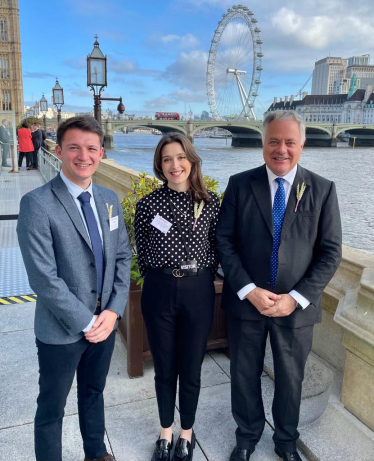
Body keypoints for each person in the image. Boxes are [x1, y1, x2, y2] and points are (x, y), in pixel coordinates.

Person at [216, 110, 342, 461]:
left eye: (289, 142)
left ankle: (286, 442)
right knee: (243, 375)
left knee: (291, 380)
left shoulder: (322, 189)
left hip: (295, 308)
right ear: (262, 144)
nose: (281, 149)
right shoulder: (240, 184)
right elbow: (224, 241)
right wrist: (248, 290)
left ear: (302, 144)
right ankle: (247, 436)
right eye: (274, 141)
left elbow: (331, 253)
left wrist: (296, 298)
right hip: (246, 303)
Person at [17, 115, 132, 461]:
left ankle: (96, 454)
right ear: (59, 150)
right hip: (61, 328)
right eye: (74, 148)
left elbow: (123, 256)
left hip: (106, 322)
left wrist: (112, 312)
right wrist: (87, 321)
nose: (84, 156)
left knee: (93, 392)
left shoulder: (109, 198)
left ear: (101, 153)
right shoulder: (37, 204)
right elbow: (43, 279)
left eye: (92, 148)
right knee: (52, 406)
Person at [135, 132, 220, 461]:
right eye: (167, 159)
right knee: (165, 367)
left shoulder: (210, 203)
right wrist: (161, 275)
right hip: (159, 289)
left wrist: (197, 279)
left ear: (192, 160)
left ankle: (187, 433)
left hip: (197, 291)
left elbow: (217, 250)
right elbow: (142, 251)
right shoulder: (148, 206)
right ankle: (165, 432)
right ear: (159, 164)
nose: (175, 165)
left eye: (181, 157)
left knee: (192, 367)